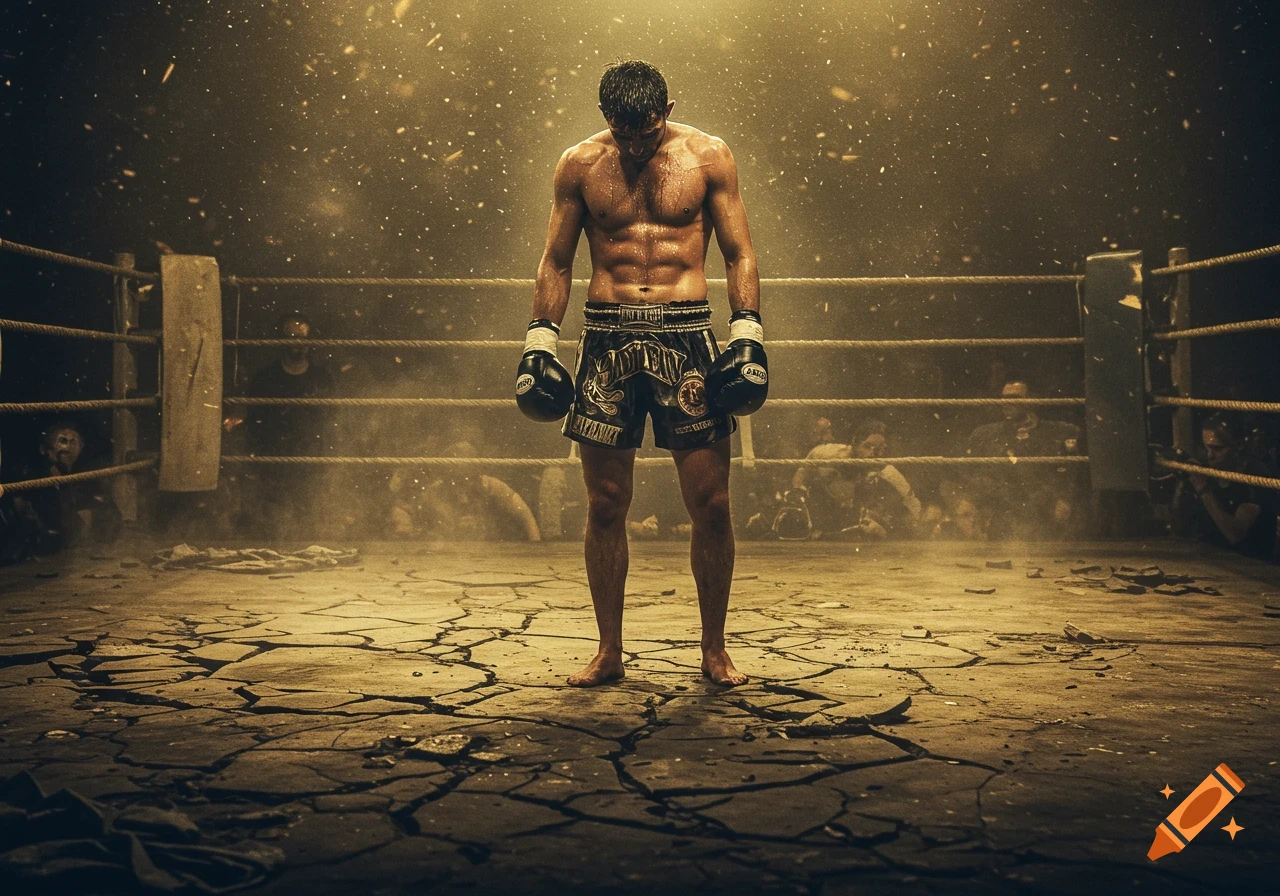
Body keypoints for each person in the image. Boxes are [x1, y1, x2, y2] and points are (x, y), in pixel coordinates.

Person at [514, 60, 767, 687]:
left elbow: (739, 250)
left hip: (686, 335)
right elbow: (556, 258)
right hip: (606, 334)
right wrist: (540, 339)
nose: (634, 145)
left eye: (646, 131)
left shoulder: (709, 157)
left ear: (668, 108)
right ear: (607, 119)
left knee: (710, 503)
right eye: (623, 132)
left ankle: (714, 649)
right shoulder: (578, 164)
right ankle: (608, 651)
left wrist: (748, 331)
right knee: (605, 502)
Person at [225, 313, 336, 538]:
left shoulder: (321, 378)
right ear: (281, 340)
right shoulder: (266, 378)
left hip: (308, 458)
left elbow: (330, 421)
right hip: (273, 460)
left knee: (308, 523)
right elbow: (254, 423)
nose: (298, 344)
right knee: (270, 524)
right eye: (292, 337)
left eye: (303, 338)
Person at [965, 379, 1083, 538]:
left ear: (1030, 401)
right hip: (1002, 510)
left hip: (1043, 509)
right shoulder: (985, 435)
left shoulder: (1059, 432)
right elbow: (972, 473)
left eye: (1013, 398)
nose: (1006, 403)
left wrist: (1064, 499)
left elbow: (1070, 472)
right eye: (1003, 398)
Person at [0, 420, 120, 559]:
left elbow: (112, 523)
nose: (68, 447)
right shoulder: (33, 479)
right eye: (62, 441)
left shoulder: (87, 478)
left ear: (81, 447)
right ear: (44, 450)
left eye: (73, 441)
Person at [791, 419, 922, 538]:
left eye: (879, 449)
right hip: (824, 511)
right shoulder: (826, 454)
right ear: (854, 443)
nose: (872, 454)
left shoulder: (888, 474)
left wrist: (896, 527)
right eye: (867, 446)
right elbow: (802, 472)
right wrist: (798, 492)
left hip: (857, 523)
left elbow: (913, 506)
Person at [1172, 415, 1278, 559]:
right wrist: (1181, 486)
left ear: (1238, 446)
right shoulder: (1208, 469)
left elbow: (1235, 535)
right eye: (1206, 447)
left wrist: (1203, 489)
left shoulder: (1254, 476)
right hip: (1212, 558)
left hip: (1251, 566)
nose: (1210, 455)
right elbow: (1179, 528)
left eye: (1217, 449)